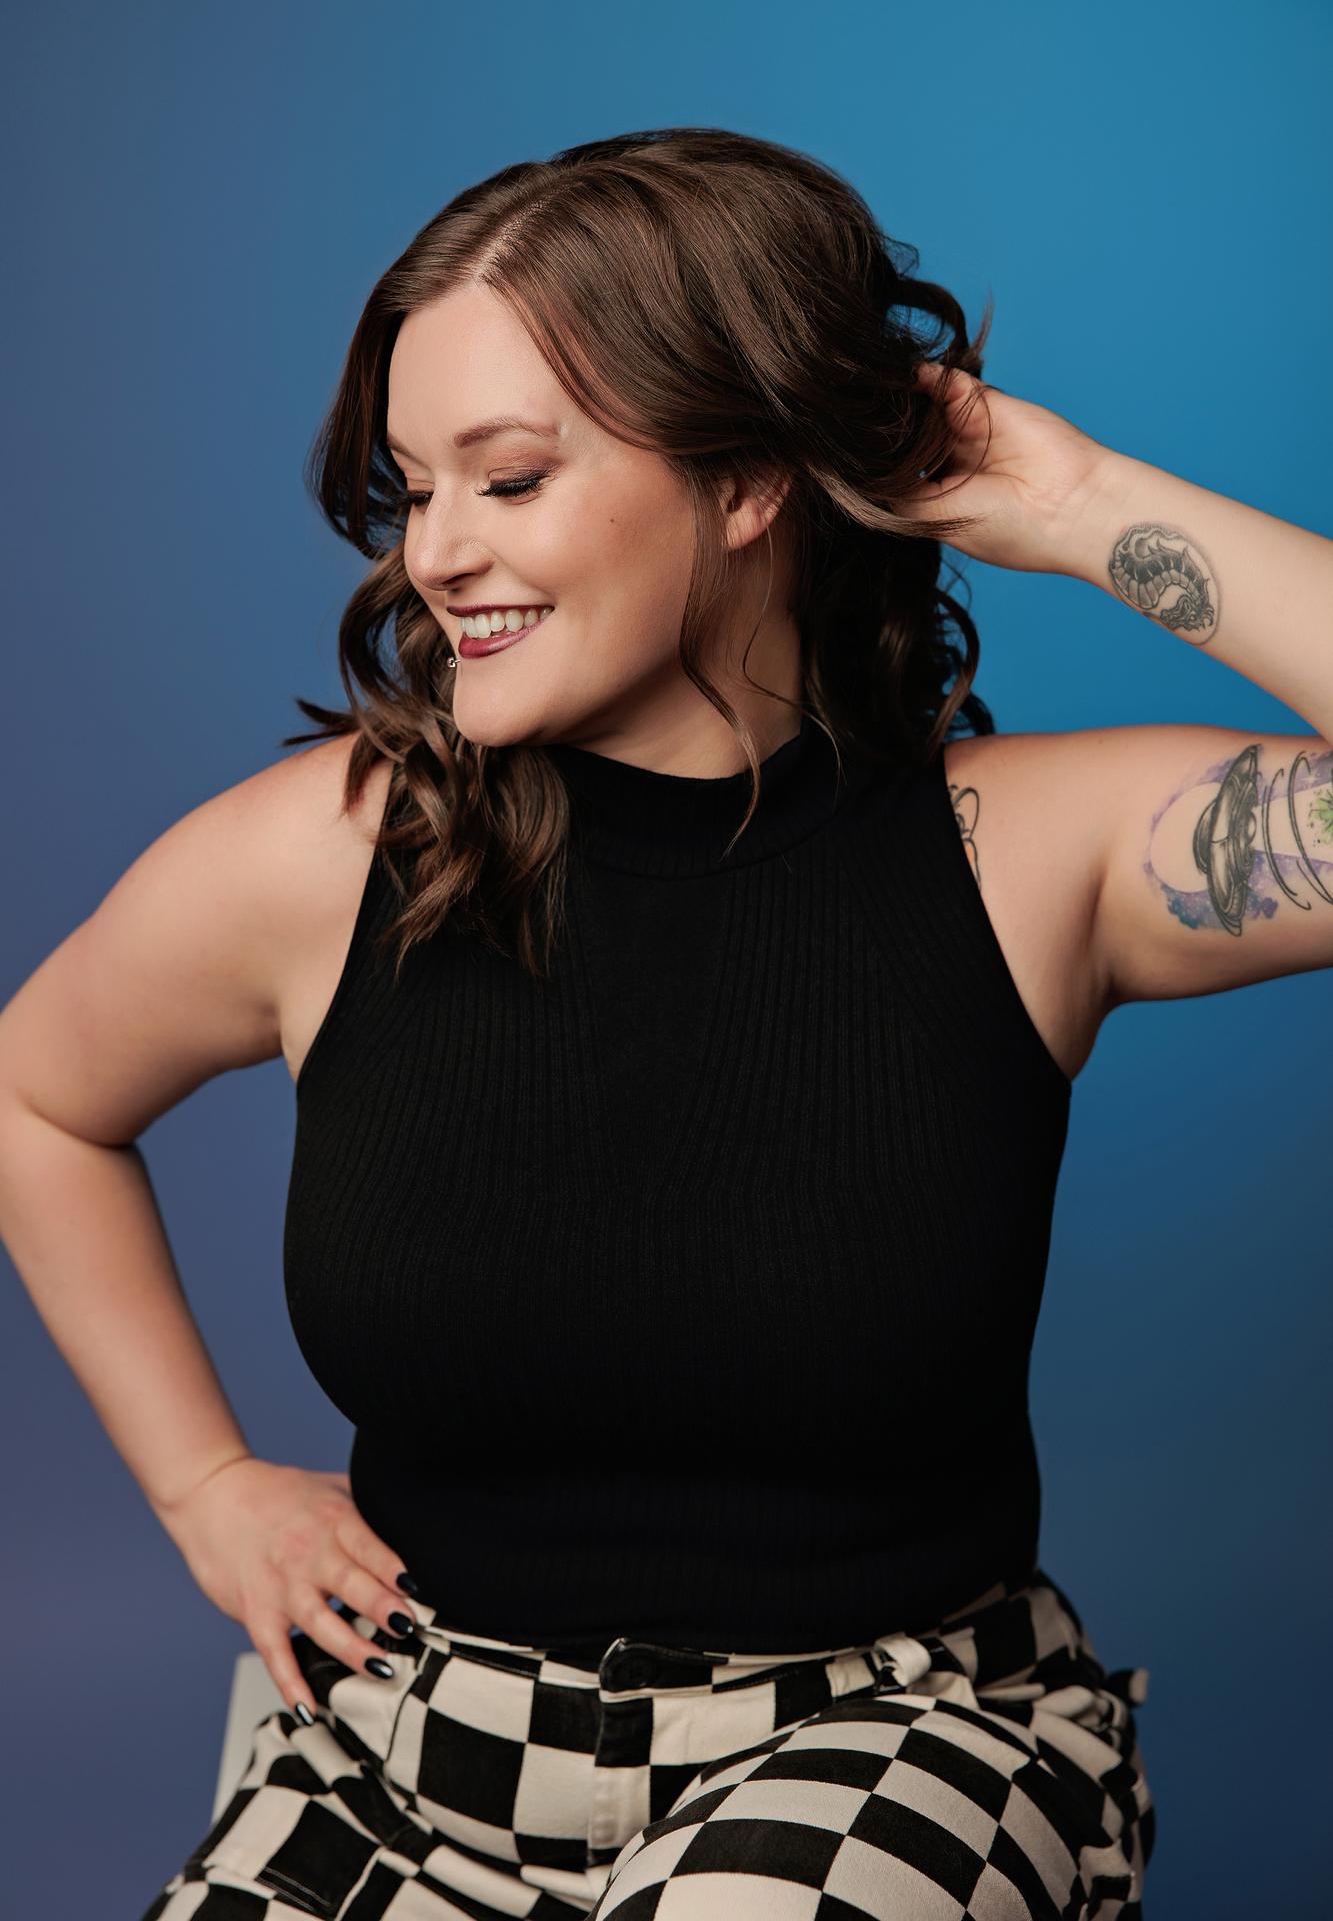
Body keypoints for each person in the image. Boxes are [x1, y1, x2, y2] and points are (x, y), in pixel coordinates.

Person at [1, 126, 1329, 1921]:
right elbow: (38, 1098)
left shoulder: (1035, 859)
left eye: (511, 478)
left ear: (749, 481)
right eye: (412, 489)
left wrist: (1077, 504)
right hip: (409, 1757)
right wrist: (204, 1485)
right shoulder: (322, 862)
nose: (436, 555)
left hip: (887, 1742)